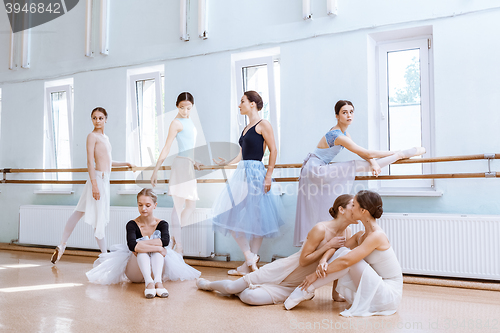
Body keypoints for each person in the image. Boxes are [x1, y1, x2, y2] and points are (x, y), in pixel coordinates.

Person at [293, 100, 425, 246]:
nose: (349, 115)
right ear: (337, 115)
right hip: (315, 169)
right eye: (344, 112)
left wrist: (373, 162)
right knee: (352, 166)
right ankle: (399, 155)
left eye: (351, 112)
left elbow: (361, 151)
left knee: (357, 166)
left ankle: (399, 155)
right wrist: (394, 151)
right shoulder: (337, 135)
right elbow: (365, 152)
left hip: (318, 167)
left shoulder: (345, 133)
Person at [196, 194, 356, 305]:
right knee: (232, 287)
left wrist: (335, 294)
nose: (357, 209)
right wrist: (328, 245)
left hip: (297, 285)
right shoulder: (320, 229)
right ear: (341, 210)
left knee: (250, 298)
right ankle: (209, 285)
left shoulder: (347, 232)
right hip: (283, 270)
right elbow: (303, 260)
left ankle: (244, 290)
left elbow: (338, 263)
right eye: (353, 206)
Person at [284, 190, 403, 317]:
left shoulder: (377, 236)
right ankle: (306, 290)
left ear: (363, 211)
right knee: (343, 251)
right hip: (374, 288)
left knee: (348, 259)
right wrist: (323, 261)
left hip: (387, 296)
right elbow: (337, 249)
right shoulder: (361, 235)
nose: (351, 209)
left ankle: (306, 290)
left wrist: (314, 275)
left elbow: (346, 261)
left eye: (354, 205)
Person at [211, 91, 285, 276]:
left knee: (258, 217)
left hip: (256, 173)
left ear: (252, 104)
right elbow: (242, 154)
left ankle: (249, 263)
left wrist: (268, 176)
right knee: (231, 213)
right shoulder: (245, 128)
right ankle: (250, 259)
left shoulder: (264, 124)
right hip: (242, 172)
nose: (239, 105)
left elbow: (274, 150)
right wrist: (226, 162)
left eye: (242, 101)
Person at [51, 107, 133, 264]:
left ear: (106, 119)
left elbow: (108, 161)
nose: (97, 121)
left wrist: (126, 163)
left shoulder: (105, 138)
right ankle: (104, 255)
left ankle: (62, 246)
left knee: (79, 212)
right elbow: (90, 162)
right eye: (94, 118)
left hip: (103, 179)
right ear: (92, 119)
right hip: (98, 180)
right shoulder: (92, 136)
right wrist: (95, 185)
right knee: (98, 218)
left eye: (100, 118)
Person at [86, 189, 201, 298]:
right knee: (143, 252)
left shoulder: (162, 224)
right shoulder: (131, 224)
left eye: (147, 205)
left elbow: (165, 241)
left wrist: (142, 245)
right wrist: (158, 247)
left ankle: (157, 282)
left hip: (156, 270)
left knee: (152, 252)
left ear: (155, 205)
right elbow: (132, 245)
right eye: (140, 205)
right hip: (135, 273)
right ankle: (148, 283)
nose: (143, 208)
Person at [151, 92, 202, 254]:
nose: (185, 111)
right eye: (182, 107)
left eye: (188, 108)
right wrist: (155, 170)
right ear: (177, 106)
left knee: (191, 205)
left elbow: (189, 147)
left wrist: (194, 161)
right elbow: (166, 147)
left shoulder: (190, 122)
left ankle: (174, 238)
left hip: (188, 165)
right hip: (180, 166)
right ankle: (178, 245)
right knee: (178, 206)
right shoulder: (176, 123)